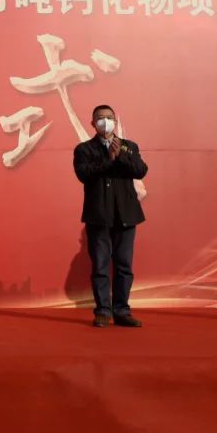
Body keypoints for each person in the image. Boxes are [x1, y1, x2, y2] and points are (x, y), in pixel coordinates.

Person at [72, 105, 147, 328]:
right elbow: (83, 174)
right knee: (101, 266)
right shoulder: (84, 149)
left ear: (115, 121)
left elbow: (140, 170)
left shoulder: (128, 146)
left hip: (126, 214)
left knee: (124, 266)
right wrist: (109, 160)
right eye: (100, 118)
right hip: (99, 215)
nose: (105, 121)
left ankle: (122, 311)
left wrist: (120, 155)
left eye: (109, 117)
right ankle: (103, 311)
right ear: (93, 123)